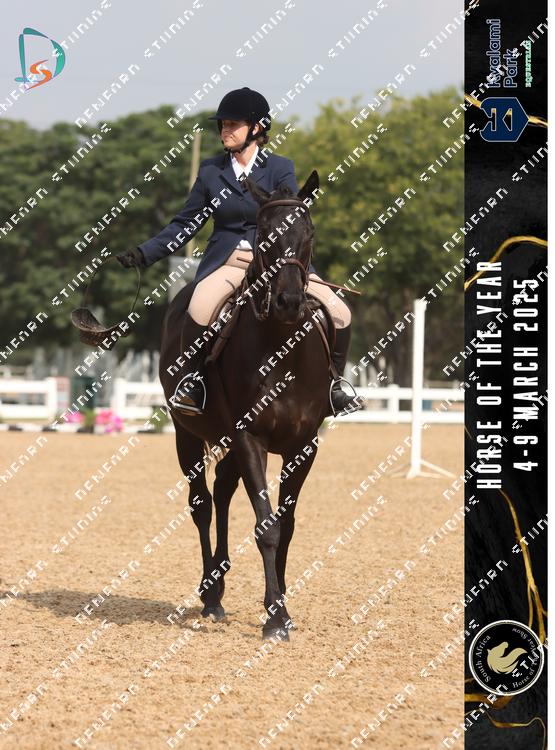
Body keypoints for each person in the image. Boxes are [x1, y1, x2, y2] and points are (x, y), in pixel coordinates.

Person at [117, 87, 361, 417]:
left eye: (233, 124)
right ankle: (193, 384)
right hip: (228, 262)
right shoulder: (211, 172)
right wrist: (144, 253)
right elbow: (185, 224)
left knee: (340, 312)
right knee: (200, 307)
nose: (225, 131)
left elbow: (288, 217)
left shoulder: (280, 168)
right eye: (223, 125)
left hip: (277, 264)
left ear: (257, 128)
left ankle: (334, 386)